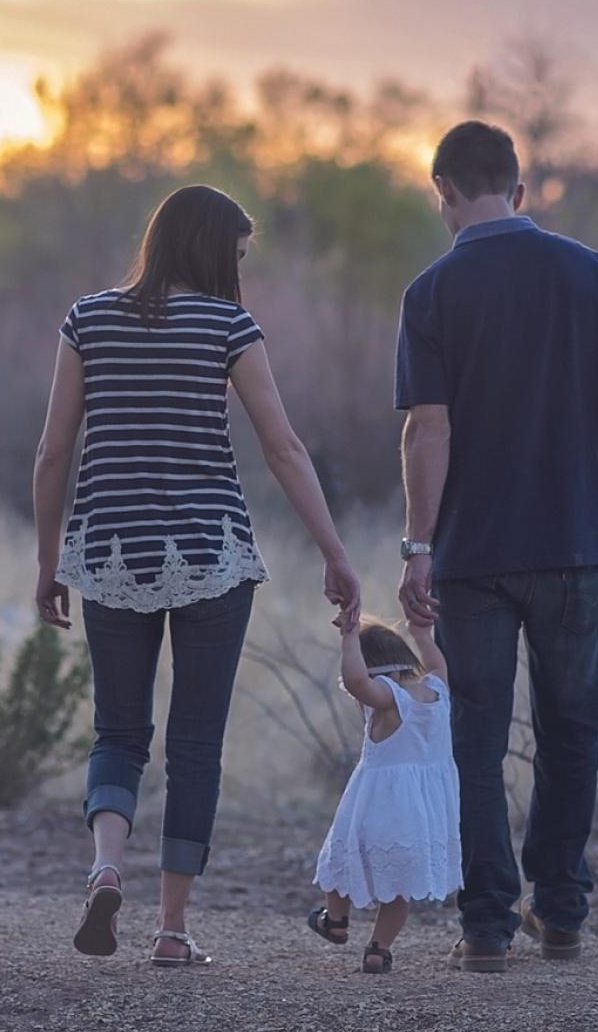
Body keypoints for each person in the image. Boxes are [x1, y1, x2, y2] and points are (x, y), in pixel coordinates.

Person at [33, 184, 360, 967]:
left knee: (118, 731)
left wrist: (49, 564)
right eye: (238, 255)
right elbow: (283, 448)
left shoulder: (87, 319)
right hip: (212, 554)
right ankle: (172, 930)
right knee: (196, 746)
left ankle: (107, 864)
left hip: (110, 552)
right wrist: (335, 552)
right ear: (214, 250)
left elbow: (52, 453)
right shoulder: (228, 325)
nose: (240, 271)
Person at [397, 119, 598, 972]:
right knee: (574, 729)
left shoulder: (432, 292)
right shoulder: (588, 275)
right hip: (578, 546)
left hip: (473, 555)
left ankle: (485, 926)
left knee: (474, 738)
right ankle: (561, 913)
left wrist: (416, 545)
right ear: (520, 190)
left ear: (443, 192)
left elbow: (427, 430)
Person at [309, 616, 462, 972]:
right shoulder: (437, 691)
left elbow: (357, 681)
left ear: (379, 674)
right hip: (422, 814)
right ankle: (378, 949)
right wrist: (423, 635)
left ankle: (336, 920)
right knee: (399, 886)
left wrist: (349, 639)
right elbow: (437, 662)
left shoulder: (390, 698)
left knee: (339, 861)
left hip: (378, 806)